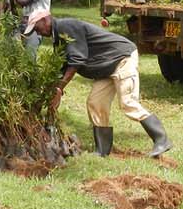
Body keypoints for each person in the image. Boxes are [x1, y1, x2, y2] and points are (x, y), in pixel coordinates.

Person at [31, 11, 172, 158]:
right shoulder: (58, 36)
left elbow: (77, 59)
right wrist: (51, 91)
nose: (37, 32)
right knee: (95, 103)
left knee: (128, 102)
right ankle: (103, 150)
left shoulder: (66, 26)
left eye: (36, 27)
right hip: (105, 67)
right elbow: (63, 65)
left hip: (121, 58)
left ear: (45, 19)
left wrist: (59, 88)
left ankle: (161, 139)